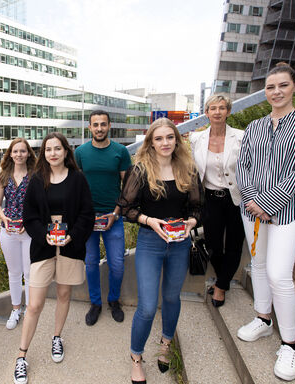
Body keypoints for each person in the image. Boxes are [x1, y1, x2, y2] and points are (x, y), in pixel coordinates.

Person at [235, 63, 295, 381]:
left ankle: (290, 344)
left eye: (282, 85)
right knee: (257, 265)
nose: (276, 92)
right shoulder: (254, 127)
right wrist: (254, 202)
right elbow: (242, 165)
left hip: (286, 212)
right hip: (252, 210)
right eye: (270, 87)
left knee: (278, 274)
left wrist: (270, 203)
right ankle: (263, 318)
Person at [118, 118, 203, 384]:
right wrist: (149, 220)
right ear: (150, 142)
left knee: (171, 297)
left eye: (170, 137)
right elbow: (125, 209)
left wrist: (192, 221)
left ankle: (166, 343)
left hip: (179, 243)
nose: (165, 143)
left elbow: (197, 208)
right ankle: (136, 357)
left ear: (177, 139)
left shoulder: (187, 168)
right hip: (150, 242)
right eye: (159, 138)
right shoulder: (140, 171)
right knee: (146, 306)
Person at [13, 132, 94, 384]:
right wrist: (42, 236)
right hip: (43, 246)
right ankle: (21, 355)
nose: (53, 154)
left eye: (58, 149)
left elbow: (86, 214)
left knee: (63, 295)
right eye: (48, 149)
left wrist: (74, 236)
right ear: (44, 153)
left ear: (66, 151)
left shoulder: (78, 179)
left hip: (70, 244)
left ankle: (56, 337)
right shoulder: (37, 180)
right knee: (34, 304)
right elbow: (30, 216)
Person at [75, 110, 131, 325]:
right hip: (87, 218)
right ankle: (96, 303)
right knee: (90, 263)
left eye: (103, 124)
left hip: (113, 217)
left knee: (117, 264)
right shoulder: (80, 152)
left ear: (109, 126)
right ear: (89, 127)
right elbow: (76, 184)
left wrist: (116, 213)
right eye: (95, 124)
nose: (99, 128)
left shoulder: (120, 152)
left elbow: (127, 188)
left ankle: (114, 300)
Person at [189, 94, 245, 307]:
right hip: (210, 199)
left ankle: (221, 287)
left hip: (236, 199)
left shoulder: (241, 137)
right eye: (213, 108)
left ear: (228, 111)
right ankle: (224, 279)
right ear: (206, 113)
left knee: (234, 244)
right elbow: (193, 170)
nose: (218, 112)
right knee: (212, 244)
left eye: (222, 108)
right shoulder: (197, 139)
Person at [0, 138, 36, 330]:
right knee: (14, 272)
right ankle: (15, 309)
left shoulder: (36, 175)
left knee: (29, 272)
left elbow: (40, 204)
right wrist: (5, 218)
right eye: (15, 151)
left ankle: (29, 308)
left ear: (28, 153)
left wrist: (28, 222)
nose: (19, 155)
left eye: (23, 151)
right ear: (10, 154)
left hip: (29, 231)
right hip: (8, 230)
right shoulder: (4, 175)